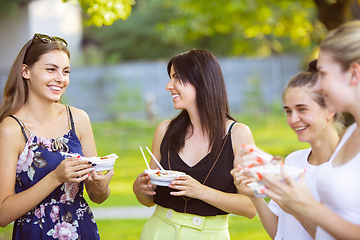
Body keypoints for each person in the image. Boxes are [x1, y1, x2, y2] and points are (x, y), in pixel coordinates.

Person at [238, 20, 360, 239]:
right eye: (288, 111)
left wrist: (302, 205)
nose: (319, 86)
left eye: (324, 74)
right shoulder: (352, 136)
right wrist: (259, 190)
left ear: (353, 74)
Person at [133, 49, 257, 240]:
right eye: (170, 77)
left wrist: (201, 191)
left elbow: (251, 207)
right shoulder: (164, 131)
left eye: (177, 77)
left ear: (202, 81)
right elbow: (148, 200)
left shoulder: (238, 134)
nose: (168, 86)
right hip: (158, 232)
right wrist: (139, 189)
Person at [0, 33, 114, 239]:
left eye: (66, 71)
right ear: (26, 71)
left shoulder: (78, 119)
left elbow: (98, 196)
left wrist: (101, 186)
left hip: (82, 230)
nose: (60, 79)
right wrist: (56, 177)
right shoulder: (11, 129)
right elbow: (2, 214)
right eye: (51, 69)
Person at [231, 60, 345, 240]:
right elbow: (279, 232)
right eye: (288, 111)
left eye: (302, 109)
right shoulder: (293, 161)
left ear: (330, 109)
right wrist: (254, 195)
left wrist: (296, 207)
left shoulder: (347, 168)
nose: (293, 119)